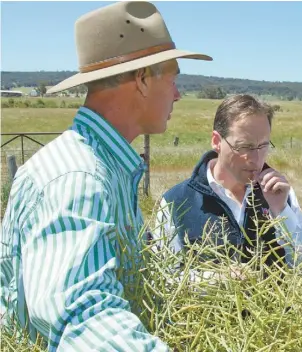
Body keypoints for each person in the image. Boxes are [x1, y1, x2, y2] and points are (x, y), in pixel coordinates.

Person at [0, 1, 212, 350]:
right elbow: (83, 318)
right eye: (174, 78)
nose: (177, 93)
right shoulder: (77, 178)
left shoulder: (104, 165)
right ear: (143, 80)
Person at [153, 94, 302, 279]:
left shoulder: (281, 195)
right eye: (244, 147)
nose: (256, 159)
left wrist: (281, 212)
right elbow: (164, 278)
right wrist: (215, 280)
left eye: (263, 146)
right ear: (216, 141)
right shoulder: (176, 201)